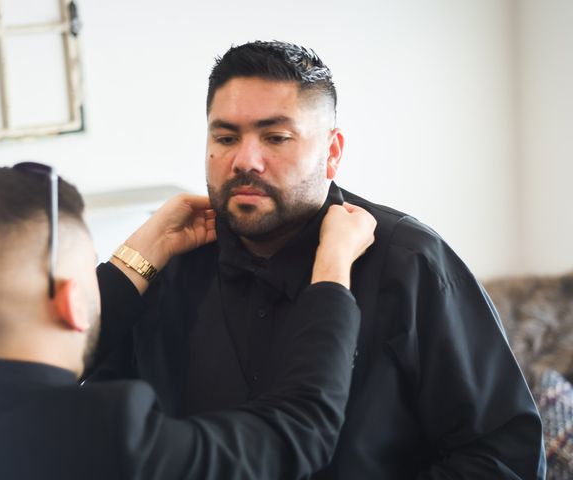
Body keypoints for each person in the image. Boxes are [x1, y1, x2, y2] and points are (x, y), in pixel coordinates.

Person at [90, 41, 546, 478]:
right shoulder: (166, 263)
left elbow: (505, 456)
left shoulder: (410, 262)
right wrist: (132, 261)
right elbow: (88, 421)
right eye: (226, 137)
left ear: (331, 153)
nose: (245, 160)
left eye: (276, 137)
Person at [0, 163, 377, 479]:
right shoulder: (110, 435)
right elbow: (299, 428)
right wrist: (334, 268)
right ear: (71, 303)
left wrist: (147, 250)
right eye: (90, 268)